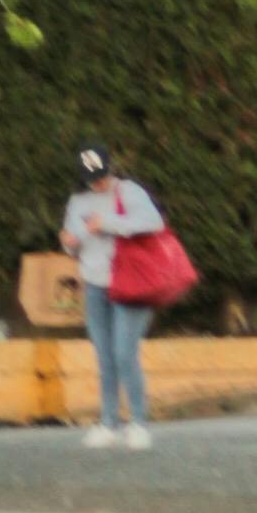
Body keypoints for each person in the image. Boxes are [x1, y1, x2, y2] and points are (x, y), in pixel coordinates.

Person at [60, 140, 163, 447]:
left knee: (123, 353)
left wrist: (106, 223)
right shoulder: (77, 202)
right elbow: (71, 244)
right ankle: (108, 422)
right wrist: (69, 241)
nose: (98, 182)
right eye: (91, 177)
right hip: (94, 283)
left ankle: (139, 422)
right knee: (104, 356)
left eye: (101, 175)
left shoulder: (128, 192)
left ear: (110, 168)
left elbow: (152, 222)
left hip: (130, 283)